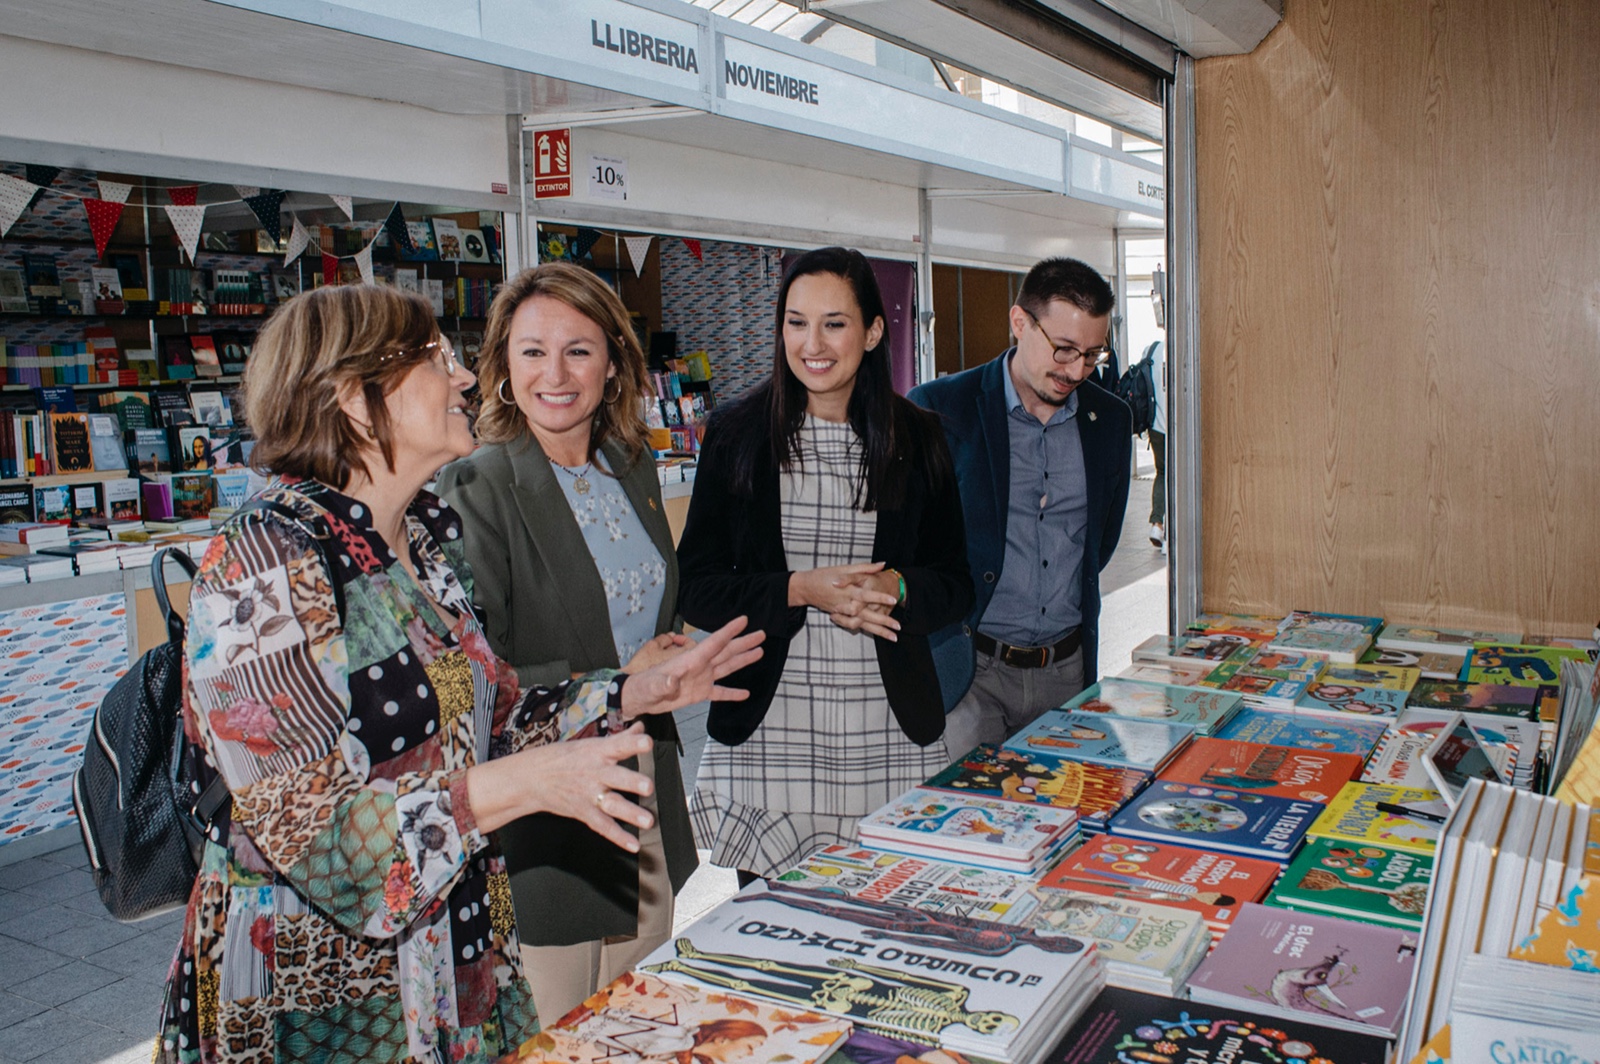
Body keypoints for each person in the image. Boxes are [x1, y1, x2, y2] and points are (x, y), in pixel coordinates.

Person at [155, 284, 763, 1063]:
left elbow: (495, 712)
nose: (467, 379)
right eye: (437, 359)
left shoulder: (421, 539)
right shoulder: (265, 561)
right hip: (322, 989)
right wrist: (521, 787)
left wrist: (629, 692)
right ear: (354, 397)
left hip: (454, 945)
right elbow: (325, 844)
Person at [436, 262, 697, 1024]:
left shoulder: (631, 466)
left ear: (613, 362)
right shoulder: (478, 485)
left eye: (578, 350)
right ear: (502, 368)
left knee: (638, 1026)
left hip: (643, 784)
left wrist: (672, 660)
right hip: (548, 812)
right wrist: (621, 677)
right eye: (532, 351)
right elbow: (478, 678)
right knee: (557, 1031)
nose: (555, 374)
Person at [678, 246, 973, 882]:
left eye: (834, 323)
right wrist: (797, 590)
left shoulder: (918, 437)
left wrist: (898, 587)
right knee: (773, 945)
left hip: (885, 727)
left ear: (871, 332)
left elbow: (955, 584)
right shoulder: (737, 434)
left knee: (883, 938)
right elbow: (696, 588)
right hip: (769, 735)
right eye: (796, 321)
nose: (812, 343)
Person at [909, 257, 1131, 757]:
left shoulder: (1110, 421)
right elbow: (912, 547)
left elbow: (1101, 541)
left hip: (1067, 675)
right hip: (970, 676)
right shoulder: (939, 409)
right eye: (1064, 349)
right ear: (1019, 323)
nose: (1076, 371)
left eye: (1093, 355)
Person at [1145, 337, 1168, 551]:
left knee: (1162, 473)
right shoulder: (1184, 348)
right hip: (1178, 427)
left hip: (1156, 427)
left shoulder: (1152, 350)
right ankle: (1170, 539)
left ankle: (1157, 524)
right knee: (1180, 478)